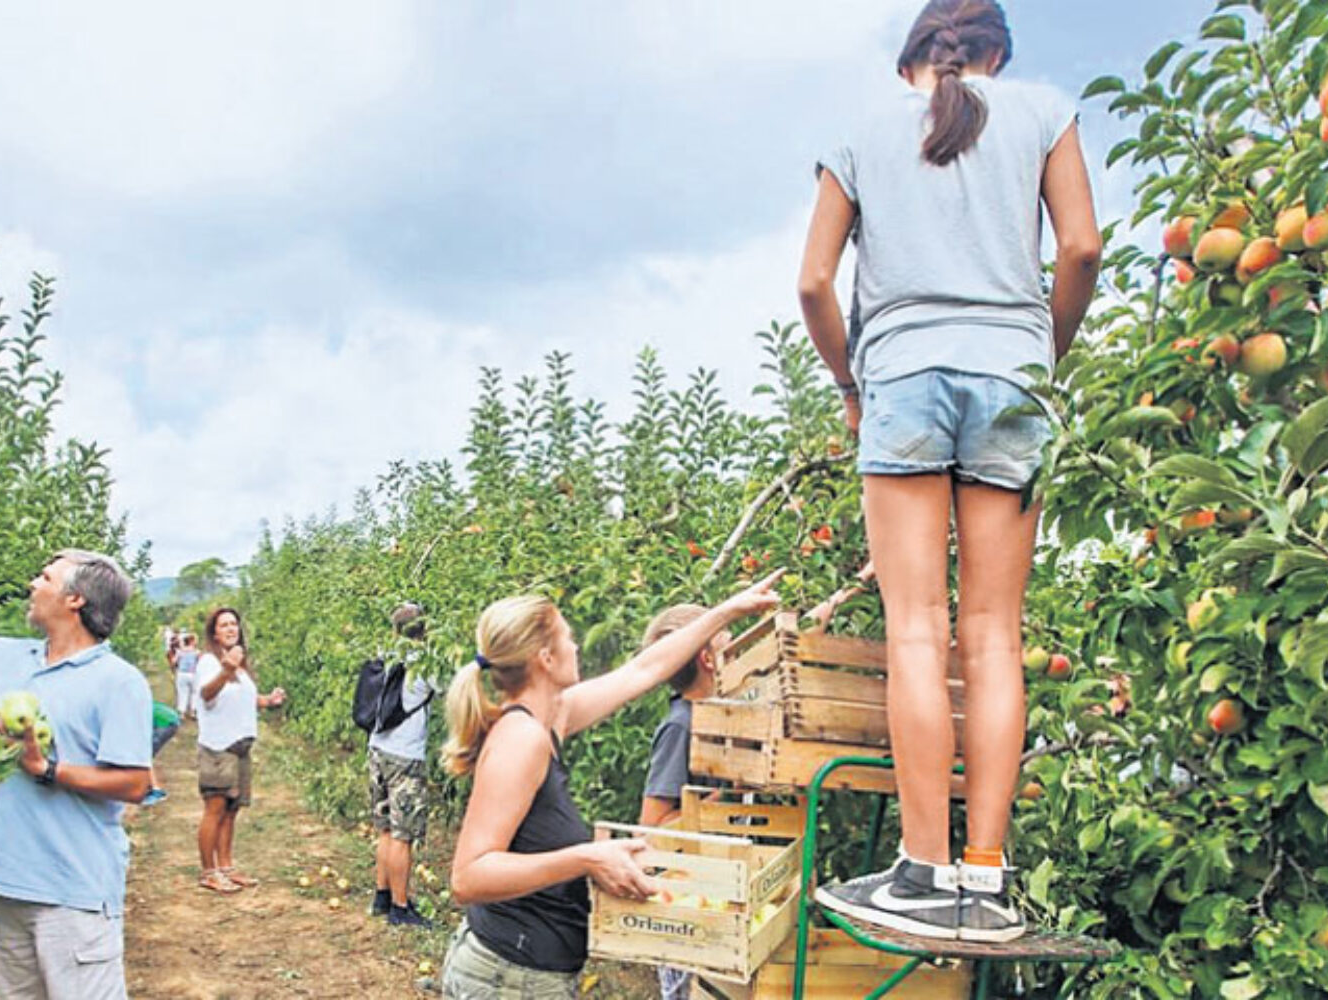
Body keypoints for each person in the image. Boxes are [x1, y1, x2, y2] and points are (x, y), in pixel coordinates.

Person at [797, 0, 1100, 943]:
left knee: (917, 632)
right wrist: (1041, 352)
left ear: (909, 67)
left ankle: (924, 872)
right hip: (1012, 376)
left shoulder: (861, 132)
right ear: (996, 56)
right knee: (995, 637)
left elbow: (812, 282)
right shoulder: (1044, 111)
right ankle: (987, 880)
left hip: (903, 375)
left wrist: (849, 383)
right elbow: (1082, 248)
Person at [439, 572, 783, 998]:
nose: (576, 646)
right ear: (546, 658)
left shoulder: (550, 717)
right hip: (507, 978)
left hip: (524, 974)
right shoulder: (520, 739)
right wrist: (586, 858)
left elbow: (645, 668)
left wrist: (728, 611)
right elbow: (468, 877)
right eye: (567, 638)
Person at [0, 549, 152, 999]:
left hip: (74, 893)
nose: (32, 585)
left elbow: (136, 783)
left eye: (45, 577)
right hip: (9, 886)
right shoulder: (4, 659)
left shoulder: (119, 681)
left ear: (75, 599)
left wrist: (47, 769)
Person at [638, 586, 856, 1000]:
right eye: (731, 645)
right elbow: (653, 829)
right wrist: (730, 796)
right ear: (708, 660)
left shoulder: (731, 715)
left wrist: (855, 583)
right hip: (694, 903)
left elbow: (786, 650)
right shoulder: (682, 726)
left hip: (728, 892)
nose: (740, 654)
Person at [193, 607, 286, 894]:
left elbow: (242, 698)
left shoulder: (240, 665)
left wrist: (267, 700)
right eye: (224, 625)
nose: (231, 629)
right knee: (215, 808)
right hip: (218, 747)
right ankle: (209, 872)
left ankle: (226, 868)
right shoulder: (210, 662)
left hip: (241, 747)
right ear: (214, 633)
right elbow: (207, 693)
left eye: (234, 624)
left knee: (232, 809)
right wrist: (226, 670)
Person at [368, 602, 439, 928]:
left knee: (385, 827)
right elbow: (450, 688)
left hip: (377, 750)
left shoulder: (384, 655)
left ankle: (382, 896)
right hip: (405, 757)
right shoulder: (426, 662)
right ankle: (400, 907)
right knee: (403, 835)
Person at [172, 632, 200, 720]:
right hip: (193, 674)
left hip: (182, 674)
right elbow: (200, 663)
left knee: (182, 693)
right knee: (194, 693)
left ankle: (182, 712)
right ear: (191, 641)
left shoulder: (180, 652)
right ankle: (193, 711)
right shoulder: (197, 652)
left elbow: (173, 661)